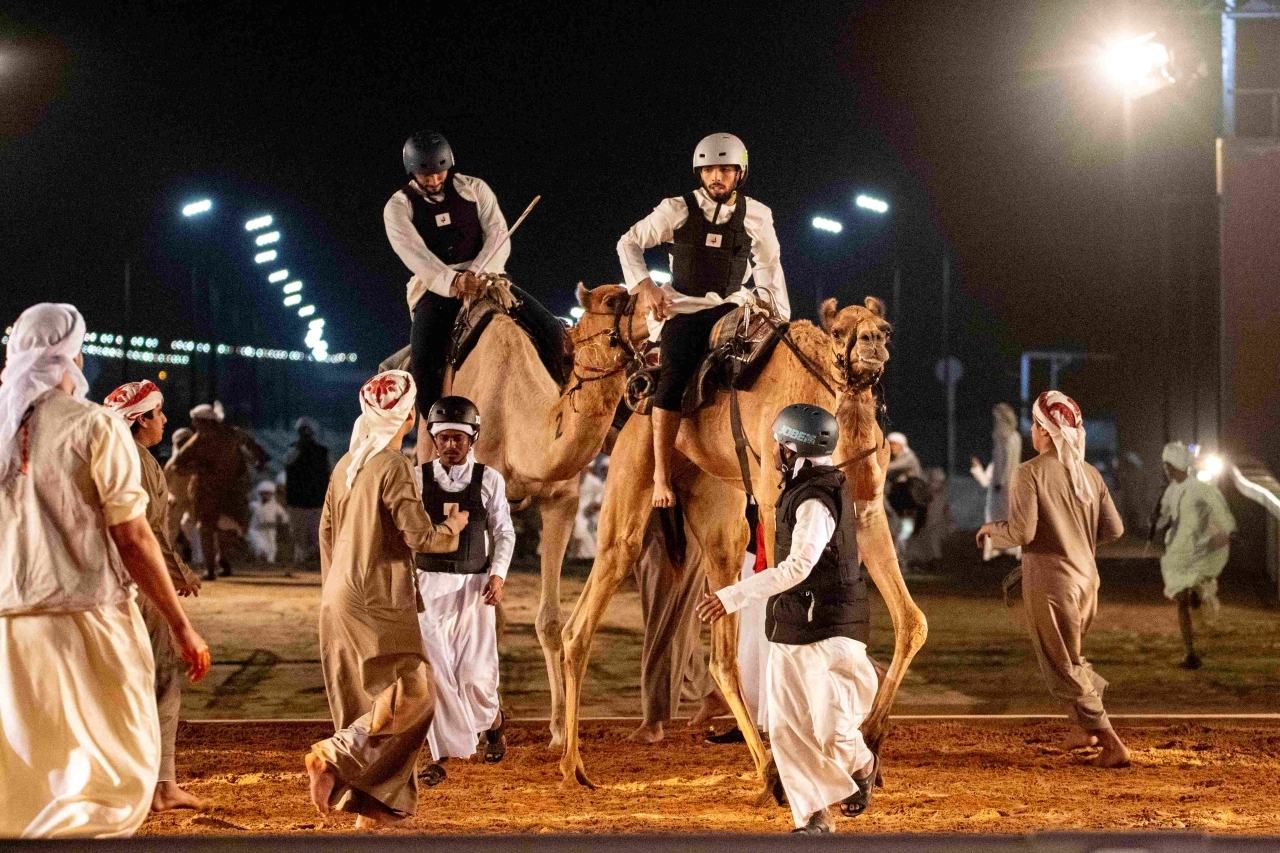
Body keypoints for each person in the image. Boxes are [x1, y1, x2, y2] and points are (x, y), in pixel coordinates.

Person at [0, 304, 209, 837]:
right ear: (71, 357)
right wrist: (181, 624)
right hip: (87, 617)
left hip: (10, 624)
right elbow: (134, 538)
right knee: (114, 771)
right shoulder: (93, 425)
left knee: (28, 772)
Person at [697, 404, 878, 835]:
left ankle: (862, 764)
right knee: (785, 729)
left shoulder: (815, 500)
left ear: (792, 448)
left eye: (778, 443)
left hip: (831, 629)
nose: (773, 451)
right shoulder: (800, 488)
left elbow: (798, 567)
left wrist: (731, 596)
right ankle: (813, 816)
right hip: (792, 624)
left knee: (832, 731)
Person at [305, 370, 468, 828]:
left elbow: (325, 535)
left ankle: (375, 809)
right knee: (415, 690)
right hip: (375, 596)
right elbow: (420, 536)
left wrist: (335, 591)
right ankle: (332, 757)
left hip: (337, 594)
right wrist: (453, 528)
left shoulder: (346, 465)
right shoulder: (393, 465)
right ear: (410, 417)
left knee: (367, 704)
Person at [617, 132, 790, 508]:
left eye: (725, 169)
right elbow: (628, 242)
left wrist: (779, 316)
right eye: (709, 169)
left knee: (768, 366)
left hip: (734, 306)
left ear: (740, 173)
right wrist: (646, 286)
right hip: (685, 309)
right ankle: (661, 475)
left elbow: (769, 265)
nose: (716, 176)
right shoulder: (675, 209)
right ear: (700, 173)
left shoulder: (758, 215)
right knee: (674, 375)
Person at [383, 130, 566, 464]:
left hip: (487, 279)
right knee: (424, 362)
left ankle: (564, 408)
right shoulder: (398, 206)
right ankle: (434, 433)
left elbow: (498, 234)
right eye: (426, 175)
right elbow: (415, 256)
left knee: (552, 330)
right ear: (412, 172)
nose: (434, 180)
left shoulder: (475, 188)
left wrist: (478, 274)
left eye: (440, 172)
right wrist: (454, 282)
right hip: (435, 288)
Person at [976, 391, 1129, 768]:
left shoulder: (1029, 472)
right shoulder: (1090, 474)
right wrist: (1075, 539)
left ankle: (1111, 742)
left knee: (1063, 665)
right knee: (1071, 658)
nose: (1031, 430)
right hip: (1087, 581)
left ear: (1045, 430)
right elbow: (1115, 529)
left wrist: (991, 530)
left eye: (1035, 424)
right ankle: (1081, 728)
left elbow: (1022, 532)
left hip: (1051, 584)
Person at [103, 380, 207, 814]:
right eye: (158, 412)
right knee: (163, 678)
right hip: (138, 587)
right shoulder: (140, 461)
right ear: (141, 419)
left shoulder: (104, 454)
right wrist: (179, 573)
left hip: (99, 591)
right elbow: (144, 532)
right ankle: (163, 786)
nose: (163, 420)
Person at [412, 396, 516, 785]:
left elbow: (504, 531)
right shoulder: (417, 478)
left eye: (458, 438)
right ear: (434, 439)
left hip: (475, 588)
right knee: (437, 674)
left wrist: (498, 575)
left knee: (474, 676)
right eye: (444, 438)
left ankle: (494, 720)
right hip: (427, 587)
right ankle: (444, 755)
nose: (450, 445)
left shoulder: (490, 479)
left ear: (472, 438)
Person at [628, 509, 728, 745]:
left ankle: (654, 721)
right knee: (678, 623)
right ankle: (711, 694)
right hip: (655, 522)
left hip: (672, 524)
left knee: (664, 625)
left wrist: (660, 486)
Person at [1155, 441, 1236, 670]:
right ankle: (1189, 652)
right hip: (1178, 552)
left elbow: (1219, 508)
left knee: (1192, 594)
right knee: (1181, 599)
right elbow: (1163, 517)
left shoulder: (1201, 488)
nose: (1166, 469)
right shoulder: (1170, 491)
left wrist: (1230, 529)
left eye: (1169, 465)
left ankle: (1199, 593)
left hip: (1200, 550)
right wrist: (1155, 520)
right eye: (1165, 465)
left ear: (1178, 465)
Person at [167, 401, 268, 581]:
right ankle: (210, 568)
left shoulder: (232, 434)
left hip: (233, 492)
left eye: (196, 421)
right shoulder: (196, 442)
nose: (194, 424)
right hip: (206, 492)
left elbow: (252, 445)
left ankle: (222, 558)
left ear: (206, 422)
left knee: (230, 528)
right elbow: (177, 465)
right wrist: (198, 468)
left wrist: (260, 459)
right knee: (205, 528)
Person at [971, 403, 1023, 561]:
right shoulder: (1008, 437)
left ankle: (1005, 550)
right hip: (1003, 484)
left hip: (1003, 485)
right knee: (999, 516)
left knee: (1001, 516)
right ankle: (999, 549)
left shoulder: (1008, 438)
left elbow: (1007, 463)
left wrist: (1000, 481)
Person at [284, 417, 331, 570]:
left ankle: (314, 565)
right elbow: (288, 462)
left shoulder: (323, 452)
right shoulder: (293, 450)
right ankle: (301, 565)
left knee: (315, 538)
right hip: (299, 503)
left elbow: (331, 473)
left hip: (315, 502)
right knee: (299, 538)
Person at [164, 426, 201, 567]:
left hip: (194, 500)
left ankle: (201, 559)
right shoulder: (171, 464)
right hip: (176, 501)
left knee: (199, 528)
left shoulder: (197, 462)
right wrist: (170, 497)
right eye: (181, 442)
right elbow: (163, 486)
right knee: (171, 530)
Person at [248, 481, 290, 564]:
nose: (266, 496)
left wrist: (280, 523)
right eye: (264, 493)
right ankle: (258, 562)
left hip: (270, 531)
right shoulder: (253, 505)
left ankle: (269, 566)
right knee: (261, 547)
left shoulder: (276, 506)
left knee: (272, 549)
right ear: (259, 494)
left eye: (268, 494)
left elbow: (285, 517)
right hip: (256, 530)